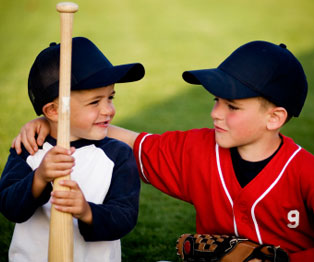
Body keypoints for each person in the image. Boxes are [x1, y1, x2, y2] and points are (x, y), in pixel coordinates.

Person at [11, 40, 314, 261]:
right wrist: (54, 121)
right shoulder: (196, 150)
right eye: (215, 101)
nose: (216, 114)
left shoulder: (306, 171)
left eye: (232, 106)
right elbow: (134, 142)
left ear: (274, 118)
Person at [0, 36, 145, 262]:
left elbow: (125, 217)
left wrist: (87, 212)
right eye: (95, 102)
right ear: (53, 111)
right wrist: (39, 178)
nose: (109, 110)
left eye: (110, 97)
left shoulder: (118, 155)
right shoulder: (29, 148)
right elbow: (9, 207)